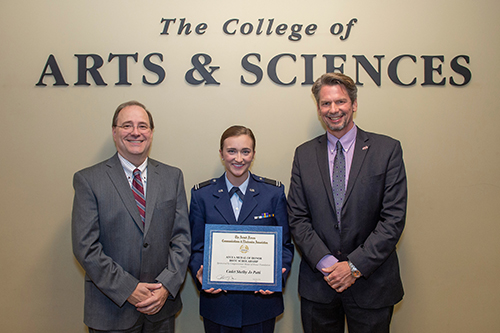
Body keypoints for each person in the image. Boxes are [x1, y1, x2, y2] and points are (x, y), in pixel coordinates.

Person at [287, 73, 407, 333]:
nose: (333, 110)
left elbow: (393, 219)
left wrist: (353, 267)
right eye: (326, 103)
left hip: (371, 284)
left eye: (340, 102)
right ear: (318, 108)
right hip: (321, 283)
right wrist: (328, 264)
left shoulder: (387, 150)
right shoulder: (304, 154)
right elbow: (297, 217)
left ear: (354, 104)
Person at [71, 101, 191, 333]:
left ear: (151, 133)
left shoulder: (172, 176)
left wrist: (166, 286)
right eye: (127, 125)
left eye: (142, 126)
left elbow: (182, 239)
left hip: (161, 309)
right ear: (114, 132)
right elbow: (85, 247)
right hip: (110, 311)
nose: (136, 132)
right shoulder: (89, 180)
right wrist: (128, 289)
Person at [188, 125, 294, 333]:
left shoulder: (273, 194)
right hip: (219, 305)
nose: (239, 158)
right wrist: (200, 273)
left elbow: (284, 246)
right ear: (221, 154)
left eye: (245, 151)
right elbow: (197, 247)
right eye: (231, 151)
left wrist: (277, 276)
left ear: (253, 154)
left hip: (261, 305)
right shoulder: (202, 196)